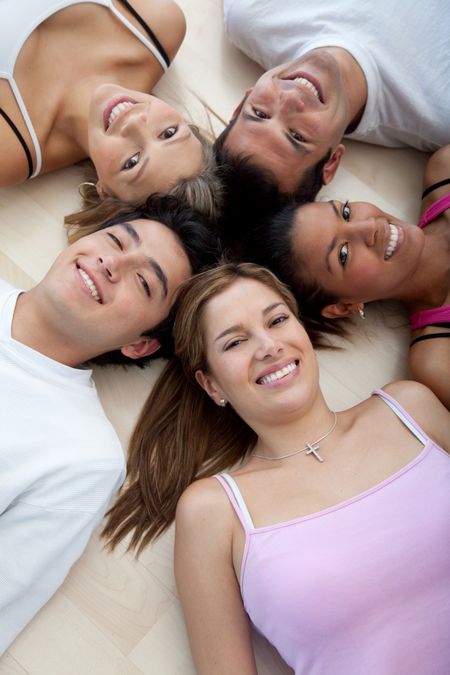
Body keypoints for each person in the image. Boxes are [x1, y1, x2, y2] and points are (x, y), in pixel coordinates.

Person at [102, 262, 450, 674]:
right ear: (212, 385)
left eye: (278, 320)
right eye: (235, 342)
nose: (268, 346)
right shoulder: (214, 511)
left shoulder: (409, 409)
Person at [0, 195, 220, 654]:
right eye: (117, 241)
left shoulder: (84, 457)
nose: (111, 263)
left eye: (143, 281)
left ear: (140, 345)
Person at [248, 145, 450, 408]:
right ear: (343, 307)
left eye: (345, 212)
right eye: (343, 254)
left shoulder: (445, 166)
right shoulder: (437, 360)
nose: (369, 226)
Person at [0, 0, 221, 220]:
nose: (134, 123)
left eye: (132, 162)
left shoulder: (7, 152)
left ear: (105, 192)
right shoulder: (157, 25)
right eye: (168, 133)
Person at [215, 0, 450, 205]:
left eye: (260, 114)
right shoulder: (438, 113)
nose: (291, 99)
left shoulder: (252, 15)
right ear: (332, 162)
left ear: (243, 102)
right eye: (297, 135)